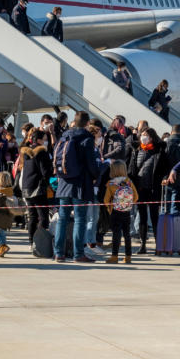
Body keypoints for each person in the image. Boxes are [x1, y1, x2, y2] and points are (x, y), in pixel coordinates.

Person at [52, 111, 100, 263]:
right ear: (87, 123)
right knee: (80, 219)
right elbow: (91, 164)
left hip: (64, 182)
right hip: (80, 183)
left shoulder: (66, 134)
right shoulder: (86, 137)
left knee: (62, 219)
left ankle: (59, 253)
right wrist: (97, 173)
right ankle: (78, 254)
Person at [129, 127, 166, 254]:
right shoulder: (136, 150)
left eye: (146, 135)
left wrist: (164, 178)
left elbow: (165, 169)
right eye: (142, 135)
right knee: (142, 217)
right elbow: (132, 170)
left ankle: (158, 245)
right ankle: (143, 244)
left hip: (153, 188)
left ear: (152, 137)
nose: (143, 137)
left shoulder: (159, 151)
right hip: (140, 188)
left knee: (155, 217)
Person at [19, 129, 53, 254]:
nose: (46, 142)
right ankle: (40, 242)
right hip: (38, 188)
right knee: (43, 217)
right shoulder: (41, 152)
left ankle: (31, 242)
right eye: (44, 139)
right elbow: (45, 172)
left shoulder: (26, 153)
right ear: (38, 140)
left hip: (27, 187)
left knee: (32, 216)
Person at [102, 160, 138, 264]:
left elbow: (106, 200)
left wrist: (110, 209)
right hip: (126, 211)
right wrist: (128, 205)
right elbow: (136, 197)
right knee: (127, 234)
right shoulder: (129, 182)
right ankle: (128, 256)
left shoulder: (111, 184)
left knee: (116, 234)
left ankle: (114, 256)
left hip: (115, 212)